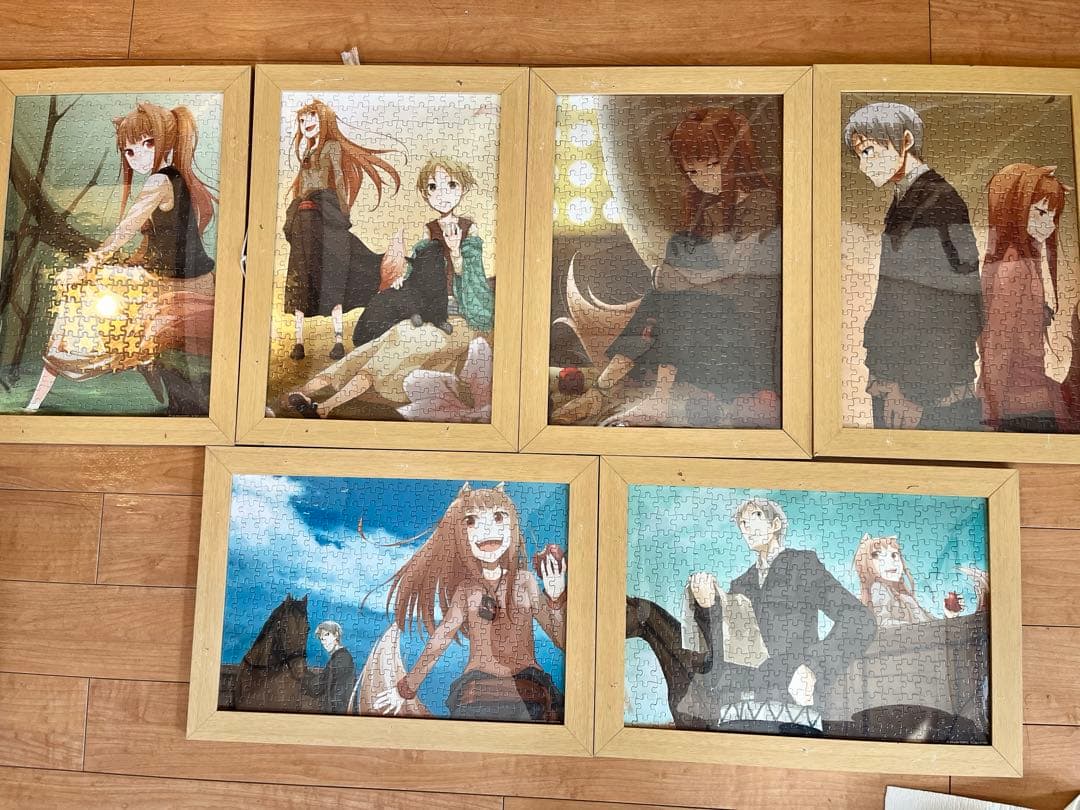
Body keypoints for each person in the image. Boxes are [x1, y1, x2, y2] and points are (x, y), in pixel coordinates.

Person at [553, 106, 782, 428]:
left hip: (744, 324)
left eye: (713, 165)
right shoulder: (711, 210)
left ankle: (630, 396)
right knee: (665, 296)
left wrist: (678, 275)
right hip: (708, 316)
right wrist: (682, 274)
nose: (704, 179)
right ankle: (606, 392)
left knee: (671, 299)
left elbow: (737, 274)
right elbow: (701, 270)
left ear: (736, 157)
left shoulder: (762, 201)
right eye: (693, 172)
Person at [24, 101, 218, 415]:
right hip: (176, 279)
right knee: (96, 292)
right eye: (128, 151)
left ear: (165, 142)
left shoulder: (161, 180)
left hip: (183, 284)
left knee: (83, 292)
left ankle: (40, 395)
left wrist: (89, 264)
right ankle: (45, 392)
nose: (137, 156)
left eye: (147, 144)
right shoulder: (172, 178)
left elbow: (125, 229)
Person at [283, 158, 494, 420]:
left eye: (451, 185)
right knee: (378, 344)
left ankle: (325, 407)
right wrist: (403, 278)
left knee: (397, 349)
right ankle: (303, 392)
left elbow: (475, 283)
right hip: (428, 314)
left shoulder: (469, 231)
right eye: (433, 187)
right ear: (425, 193)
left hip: (459, 320)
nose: (442, 193)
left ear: (463, 188)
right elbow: (420, 271)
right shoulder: (429, 233)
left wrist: (455, 253)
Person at [367, 483, 566, 721]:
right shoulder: (467, 591)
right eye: (472, 521)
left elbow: (562, 640)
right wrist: (406, 688)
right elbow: (440, 639)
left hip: (527, 692)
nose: (487, 529)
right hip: (480, 695)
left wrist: (556, 598)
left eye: (498, 517)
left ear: (511, 526)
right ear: (461, 535)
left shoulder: (525, 581)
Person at [843, 102, 983, 430]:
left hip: (926, 389)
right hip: (901, 379)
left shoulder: (940, 201)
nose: (864, 166)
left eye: (869, 151)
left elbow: (955, 305)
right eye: (859, 155)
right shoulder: (907, 199)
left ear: (905, 141)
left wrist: (916, 392)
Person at [683, 498, 876, 732]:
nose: (746, 527)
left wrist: (814, 668)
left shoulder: (803, 565)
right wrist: (707, 606)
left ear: (775, 525)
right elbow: (725, 648)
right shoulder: (740, 584)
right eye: (742, 523)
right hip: (738, 711)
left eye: (755, 517)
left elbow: (860, 619)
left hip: (794, 707)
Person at [282, 99, 403, 361]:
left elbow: (337, 178)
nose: (306, 124)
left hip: (324, 214)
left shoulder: (331, 147)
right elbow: (301, 185)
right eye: (302, 120)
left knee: (334, 276)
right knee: (301, 280)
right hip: (303, 220)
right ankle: (298, 342)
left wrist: (342, 212)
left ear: (324, 119)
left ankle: (338, 341)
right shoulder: (307, 152)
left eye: (311, 117)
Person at [978, 163, 1072, 433]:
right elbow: (997, 348)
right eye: (1041, 212)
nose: (1049, 225)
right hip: (1019, 408)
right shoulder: (1014, 268)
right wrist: (991, 416)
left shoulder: (1022, 262)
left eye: (1053, 215)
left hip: (1025, 401)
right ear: (1012, 208)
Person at [851, 533, 935, 626]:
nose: (890, 561)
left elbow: (928, 622)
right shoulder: (878, 589)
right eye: (877, 555)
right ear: (865, 564)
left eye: (894, 555)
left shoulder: (905, 598)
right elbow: (883, 623)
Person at [303, 620, 356, 714]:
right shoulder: (340, 657)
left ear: (336, 635)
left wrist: (302, 680)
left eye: (326, 635)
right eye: (321, 638)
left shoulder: (341, 658)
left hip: (339, 712)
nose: (323, 641)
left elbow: (318, 685)